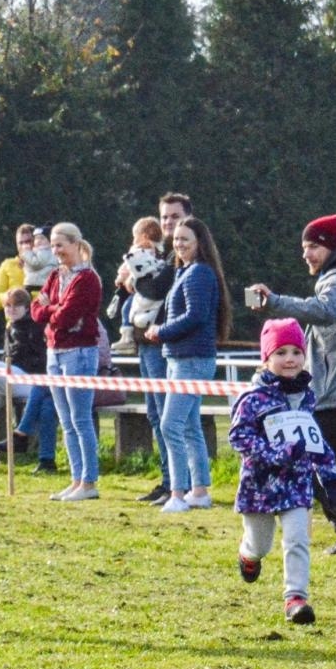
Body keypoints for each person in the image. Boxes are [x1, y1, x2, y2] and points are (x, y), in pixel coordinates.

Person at [250, 215, 336, 557]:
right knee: (316, 465)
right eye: (304, 247)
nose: (306, 254)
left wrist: (276, 303)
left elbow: (329, 310)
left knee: (309, 463)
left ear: (330, 246)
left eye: (312, 246)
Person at [229, 319, 336, 624]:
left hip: (297, 485)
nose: (289, 359)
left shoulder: (307, 397)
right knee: (260, 543)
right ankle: (248, 555)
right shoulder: (252, 400)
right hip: (259, 488)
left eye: (295, 351)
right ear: (266, 359)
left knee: (297, 539)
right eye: (280, 352)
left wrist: (332, 477)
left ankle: (296, 598)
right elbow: (239, 437)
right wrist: (277, 455)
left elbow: (314, 440)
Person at [144, 217, 228, 514]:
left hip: (190, 359)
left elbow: (196, 316)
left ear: (199, 243)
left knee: (171, 425)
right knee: (190, 426)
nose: (178, 244)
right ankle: (200, 491)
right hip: (178, 357)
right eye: (176, 240)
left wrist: (160, 331)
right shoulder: (186, 271)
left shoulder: (199, 274)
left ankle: (177, 494)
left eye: (185, 240)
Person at [31, 223, 102, 501]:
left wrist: (51, 309)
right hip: (54, 350)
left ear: (75, 244)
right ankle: (75, 478)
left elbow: (67, 316)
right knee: (66, 419)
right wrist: (52, 309)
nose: (56, 251)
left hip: (79, 352)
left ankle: (89, 481)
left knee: (81, 418)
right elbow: (36, 311)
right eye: (53, 245)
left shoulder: (87, 279)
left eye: (60, 244)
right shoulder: (53, 275)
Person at [110, 216, 177, 503]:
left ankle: (175, 481)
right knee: (154, 413)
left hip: (160, 339)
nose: (168, 222)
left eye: (174, 216)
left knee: (165, 415)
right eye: (164, 217)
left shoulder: (170, 259)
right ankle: (166, 479)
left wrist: (132, 280)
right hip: (144, 341)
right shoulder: (152, 255)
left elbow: (152, 290)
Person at [3, 287, 57, 473]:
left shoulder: (36, 326)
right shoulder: (10, 327)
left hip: (55, 379)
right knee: (47, 407)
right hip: (48, 382)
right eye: (7, 306)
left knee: (40, 386)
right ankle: (47, 461)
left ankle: (22, 432)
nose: (11, 310)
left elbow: (40, 360)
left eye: (16, 306)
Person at [0, 224, 35, 311]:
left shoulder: (48, 265)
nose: (25, 246)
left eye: (29, 241)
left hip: (41, 321)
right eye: (21, 243)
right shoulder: (8, 265)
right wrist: (11, 296)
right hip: (15, 321)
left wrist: (28, 297)